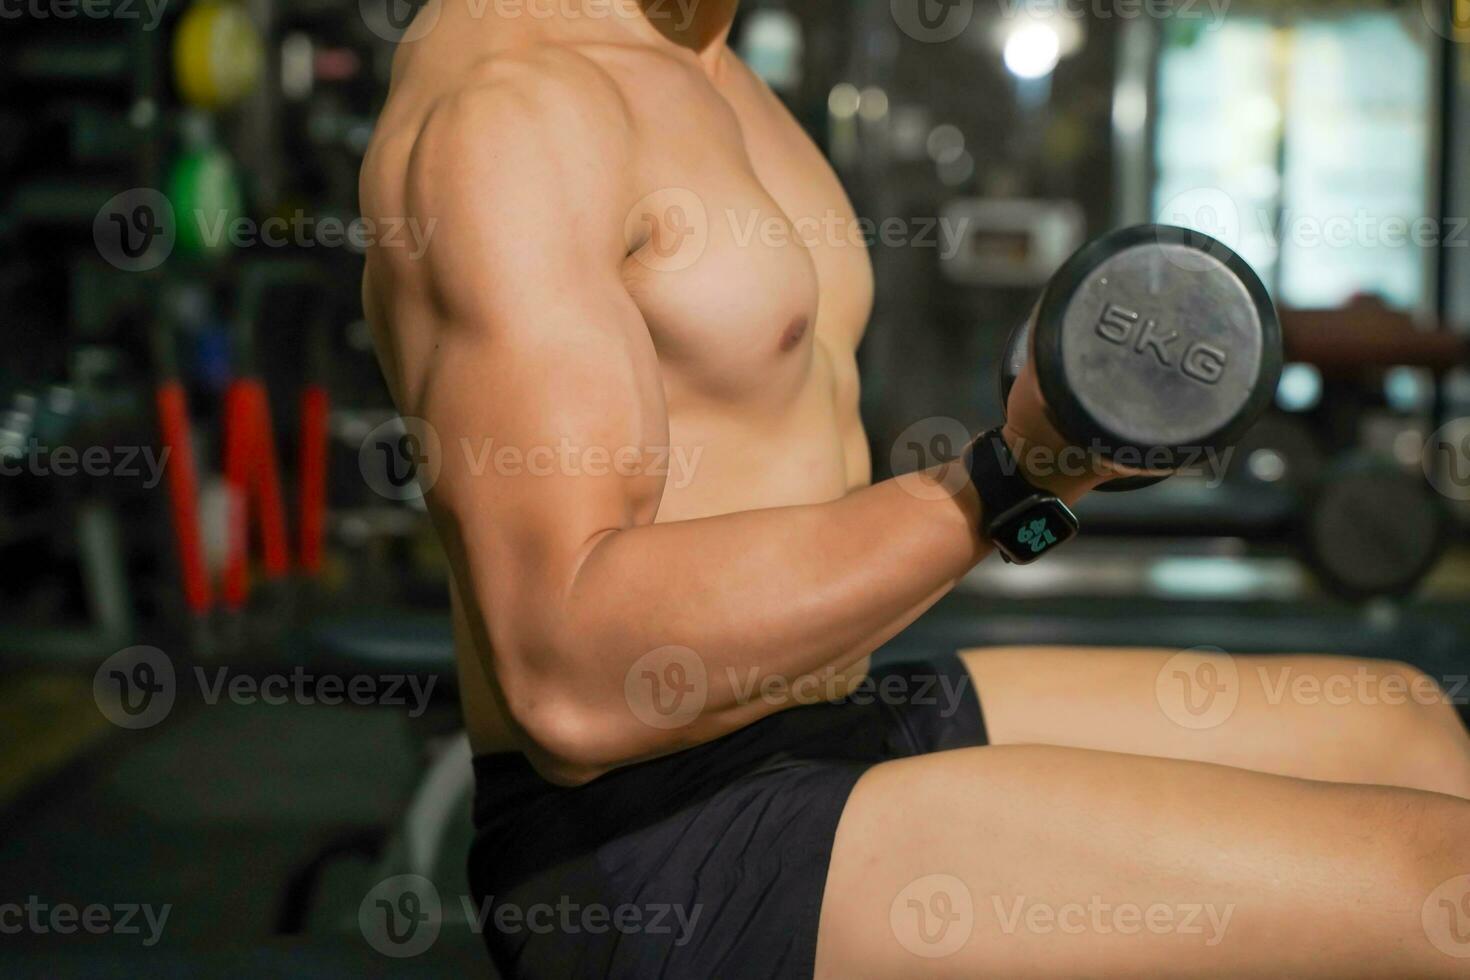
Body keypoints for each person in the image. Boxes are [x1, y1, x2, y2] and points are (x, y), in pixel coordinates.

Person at [358, 1, 1470, 975]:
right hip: (653, 844)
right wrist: (1006, 478)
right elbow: (572, 671)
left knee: (1408, 726)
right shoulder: (518, 109)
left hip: (820, 717)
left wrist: (1063, 452)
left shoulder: (707, 57)